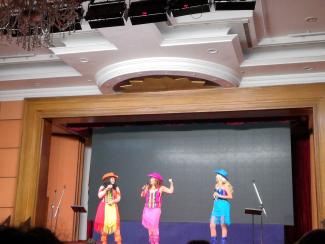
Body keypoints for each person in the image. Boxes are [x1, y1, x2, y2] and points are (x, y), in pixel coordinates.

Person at [141, 172, 174, 244]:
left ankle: (156, 242)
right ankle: (152, 242)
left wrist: (171, 183)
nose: (150, 179)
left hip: (156, 210)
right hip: (147, 209)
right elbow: (142, 195)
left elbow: (171, 191)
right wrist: (143, 189)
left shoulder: (161, 188)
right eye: (150, 178)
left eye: (152, 178)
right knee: (150, 228)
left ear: (156, 180)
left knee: (154, 227)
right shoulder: (148, 187)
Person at [93, 172, 122, 244]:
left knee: (116, 227)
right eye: (112, 178)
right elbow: (99, 196)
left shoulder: (116, 187)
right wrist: (106, 189)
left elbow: (119, 198)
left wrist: (113, 201)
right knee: (104, 228)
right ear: (108, 179)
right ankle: (104, 242)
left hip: (113, 209)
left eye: (114, 179)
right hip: (104, 208)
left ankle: (118, 242)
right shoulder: (103, 186)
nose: (113, 180)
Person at [210, 169, 233, 244]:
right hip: (216, 206)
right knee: (212, 225)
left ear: (220, 177)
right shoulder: (216, 185)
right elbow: (215, 197)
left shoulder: (225, 186)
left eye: (217, 175)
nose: (215, 176)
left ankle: (223, 243)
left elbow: (230, 196)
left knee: (223, 225)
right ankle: (213, 242)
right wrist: (214, 198)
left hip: (223, 206)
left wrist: (219, 195)